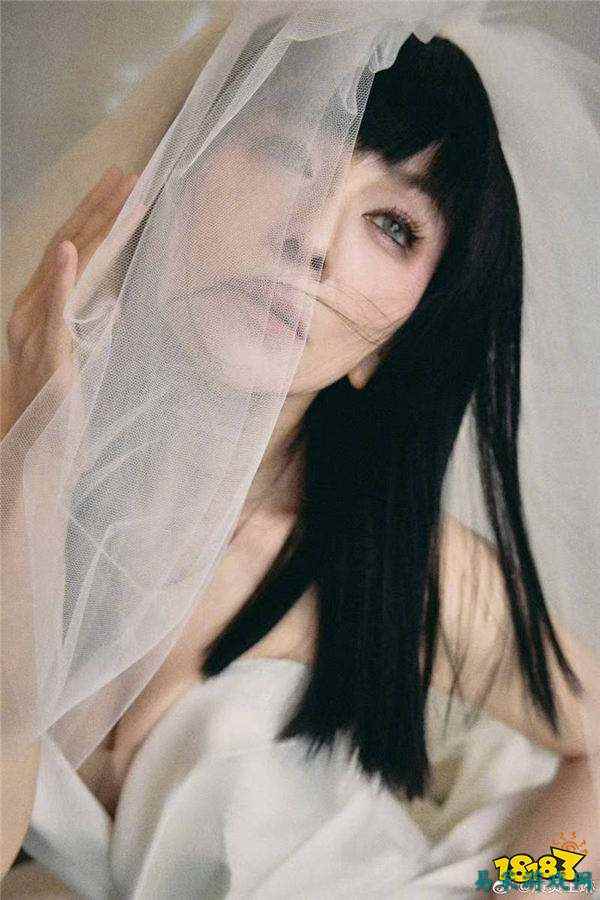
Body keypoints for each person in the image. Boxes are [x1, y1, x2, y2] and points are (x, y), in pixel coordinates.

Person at [2, 3, 598, 897]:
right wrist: (25, 476)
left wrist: (512, 889)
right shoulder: (18, 481)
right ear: (177, 176)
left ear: (391, 346)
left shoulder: (404, 572)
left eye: (392, 225)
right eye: (287, 155)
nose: (312, 238)